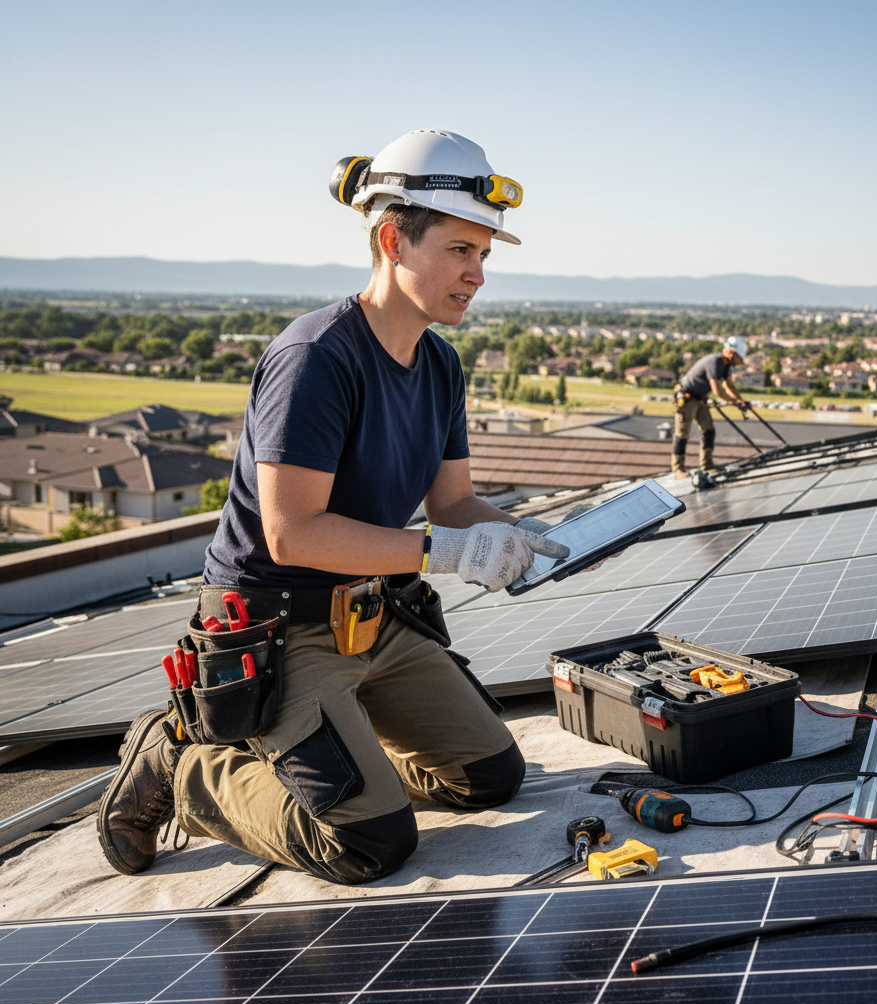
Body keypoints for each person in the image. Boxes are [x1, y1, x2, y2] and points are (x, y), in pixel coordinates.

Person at [97, 129, 570, 885]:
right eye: (459, 250)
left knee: (488, 778)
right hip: (279, 628)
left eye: (484, 255)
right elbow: (292, 534)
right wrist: (444, 554)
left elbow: (451, 502)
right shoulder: (317, 356)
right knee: (369, 844)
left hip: (374, 611)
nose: (478, 274)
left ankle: (335, 763)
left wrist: (528, 532)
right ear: (393, 240)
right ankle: (181, 762)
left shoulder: (440, 364)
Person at [672, 336, 749, 477]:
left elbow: (729, 385)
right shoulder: (715, 361)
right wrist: (733, 401)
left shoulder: (725, 366)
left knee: (708, 429)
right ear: (731, 353)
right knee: (682, 433)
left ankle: (707, 465)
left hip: (700, 399)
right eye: (739, 357)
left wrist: (740, 400)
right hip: (687, 398)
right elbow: (717, 391)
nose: (740, 362)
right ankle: (678, 469)